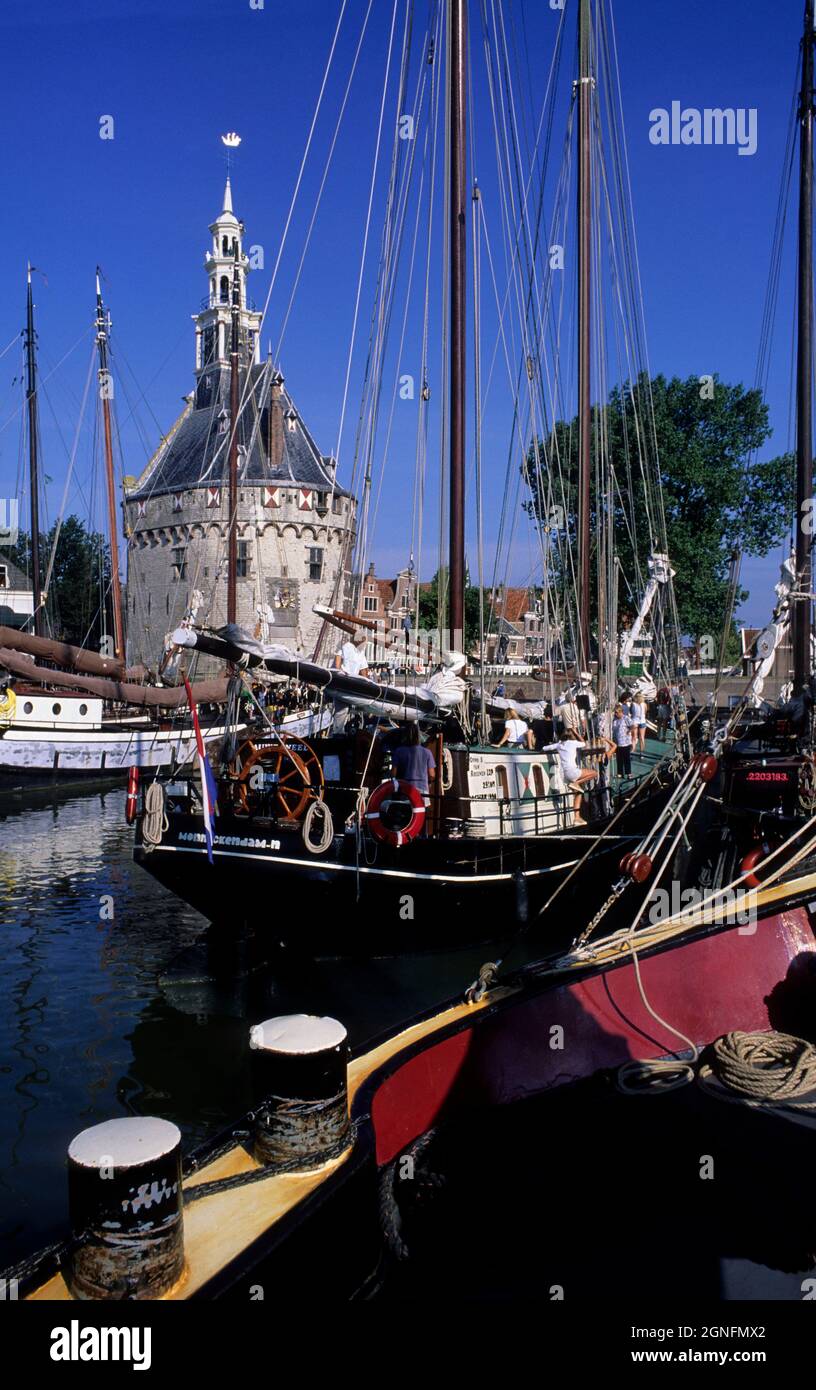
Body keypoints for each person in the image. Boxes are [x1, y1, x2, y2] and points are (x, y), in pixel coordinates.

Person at [540, 726, 615, 820]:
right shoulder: (573, 743)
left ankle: (577, 817)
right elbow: (584, 743)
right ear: (572, 736)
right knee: (595, 773)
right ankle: (576, 783)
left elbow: (544, 748)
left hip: (565, 773)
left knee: (579, 792)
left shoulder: (559, 744)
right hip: (573, 771)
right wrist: (576, 733)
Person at [391, 725, 436, 817]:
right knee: (421, 818)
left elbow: (393, 774)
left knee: (405, 818)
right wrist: (429, 782)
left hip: (404, 790)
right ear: (418, 736)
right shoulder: (427, 752)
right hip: (422, 790)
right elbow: (432, 775)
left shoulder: (399, 751)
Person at [611, 702, 634, 776]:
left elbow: (633, 725)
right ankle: (620, 772)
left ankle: (628, 773)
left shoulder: (625, 718)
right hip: (617, 743)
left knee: (626, 759)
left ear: (621, 712)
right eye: (615, 713)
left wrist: (629, 731)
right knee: (619, 759)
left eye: (617, 712)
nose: (616, 714)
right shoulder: (615, 720)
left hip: (625, 742)